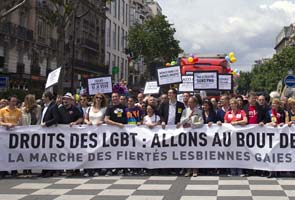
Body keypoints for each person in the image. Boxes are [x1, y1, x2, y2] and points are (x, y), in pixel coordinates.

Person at [58, 92, 84, 176]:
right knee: (64, 151)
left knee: (73, 151)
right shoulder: (60, 108)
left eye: (67, 99)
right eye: (64, 99)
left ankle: (75, 168)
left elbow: (81, 118)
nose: (65, 101)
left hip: (73, 135)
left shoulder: (75, 109)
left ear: (71, 100)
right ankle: (66, 168)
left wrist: (75, 122)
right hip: (62, 134)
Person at [177, 96, 204, 177]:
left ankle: (195, 170)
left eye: (191, 102)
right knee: (188, 152)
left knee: (195, 152)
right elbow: (182, 121)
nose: (189, 103)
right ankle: (188, 170)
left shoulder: (199, 111)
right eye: (188, 102)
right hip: (186, 135)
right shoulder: (185, 111)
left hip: (195, 134)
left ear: (195, 103)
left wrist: (191, 125)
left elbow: (201, 123)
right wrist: (188, 117)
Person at [84, 93, 107, 177]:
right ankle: (88, 170)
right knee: (89, 152)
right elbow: (85, 118)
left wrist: (102, 121)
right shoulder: (89, 108)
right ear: (94, 99)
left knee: (98, 152)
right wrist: (87, 122)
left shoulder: (104, 109)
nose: (98, 99)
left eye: (100, 98)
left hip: (99, 133)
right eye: (97, 97)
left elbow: (106, 119)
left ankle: (98, 169)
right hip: (89, 134)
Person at [104, 92, 127, 176]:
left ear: (119, 97)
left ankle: (123, 168)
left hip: (123, 133)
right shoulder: (109, 108)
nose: (114, 98)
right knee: (112, 151)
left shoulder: (124, 107)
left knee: (123, 151)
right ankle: (110, 169)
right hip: (112, 134)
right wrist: (117, 124)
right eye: (113, 97)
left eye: (116, 97)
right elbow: (106, 120)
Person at [224, 98, 247, 176]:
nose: (232, 105)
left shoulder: (242, 112)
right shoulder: (228, 113)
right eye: (231, 104)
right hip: (231, 137)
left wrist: (237, 122)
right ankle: (232, 171)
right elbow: (225, 124)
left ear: (236, 104)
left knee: (239, 153)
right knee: (231, 154)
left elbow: (245, 121)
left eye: (233, 103)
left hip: (240, 137)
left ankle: (240, 171)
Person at [0, 95, 22, 178]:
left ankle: (14, 170)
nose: (14, 103)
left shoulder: (19, 111)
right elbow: (0, 121)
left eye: (15, 101)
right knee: (3, 152)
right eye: (12, 101)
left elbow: (20, 123)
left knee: (14, 151)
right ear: (8, 102)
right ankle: (3, 170)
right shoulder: (2, 110)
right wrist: (6, 124)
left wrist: (15, 124)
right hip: (4, 134)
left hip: (14, 134)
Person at [40, 91, 60, 177]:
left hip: (50, 132)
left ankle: (50, 170)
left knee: (49, 152)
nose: (42, 98)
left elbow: (56, 118)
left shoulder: (53, 106)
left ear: (47, 97)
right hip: (44, 133)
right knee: (44, 152)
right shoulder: (44, 107)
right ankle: (44, 169)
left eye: (43, 97)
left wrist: (46, 123)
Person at [21, 94, 42, 177]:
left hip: (34, 132)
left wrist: (37, 128)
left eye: (30, 100)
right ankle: (25, 168)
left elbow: (39, 119)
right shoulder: (23, 109)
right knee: (25, 151)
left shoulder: (38, 108)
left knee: (32, 151)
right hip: (25, 132)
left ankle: (29, 167)